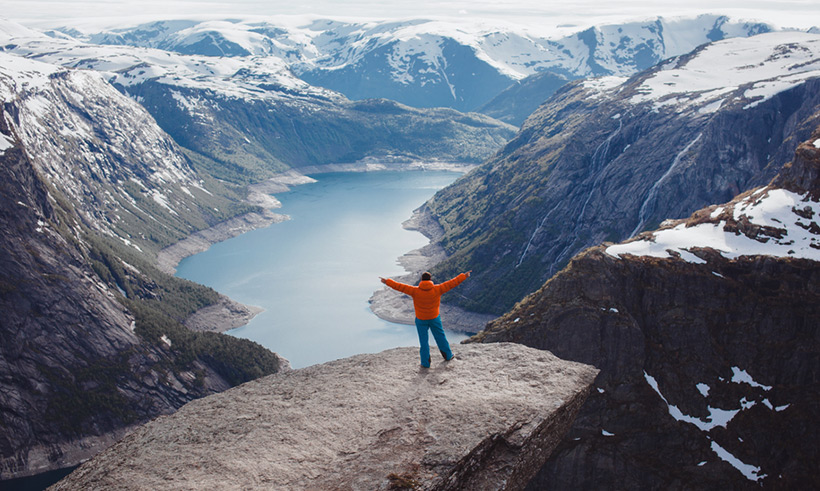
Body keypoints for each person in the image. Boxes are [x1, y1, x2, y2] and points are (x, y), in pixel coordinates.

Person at [380, 270, 472, 368]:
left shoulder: (414, 291)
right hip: (434, 318)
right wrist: (464, 276)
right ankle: (448, 356)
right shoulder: (438, 289)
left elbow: (400, 286)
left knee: (423, 341)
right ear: (430, 279)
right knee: (440, 337)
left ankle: (425, 363)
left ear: (421, 280)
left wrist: (387, 282)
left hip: (421, 319)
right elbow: (452, 283)